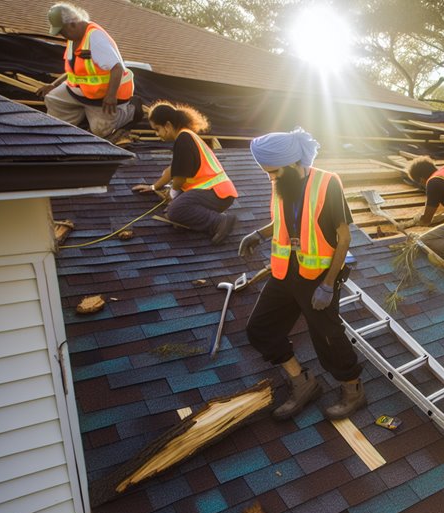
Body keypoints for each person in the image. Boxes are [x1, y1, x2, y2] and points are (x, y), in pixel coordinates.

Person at [238, 128, 365, 420]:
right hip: (285, 272)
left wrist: (329, 285)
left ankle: (352, 389)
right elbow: (283, 219)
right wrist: (258, 233)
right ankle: (303, 382)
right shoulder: (283, 182)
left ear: (295, 163)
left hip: (319, 275)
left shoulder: (327, 182)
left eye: (274, 172)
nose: (271, 177)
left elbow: (343, 237)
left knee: (327, 335)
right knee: (260, 329)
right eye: (267, 173)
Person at [131, 102, 237, 244]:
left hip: (215, 193)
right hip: (217, 194)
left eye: (157, 129)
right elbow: (172, 170)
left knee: (175, 211)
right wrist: (153, 187)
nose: (157, 135)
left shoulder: (183, 139)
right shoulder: (187, 136)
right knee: (178, 205)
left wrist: (173, 196)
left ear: (167, 125)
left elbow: (179, 178)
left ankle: (219, 222)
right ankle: (200, 215)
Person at [36, 3, 140, 140]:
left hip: (101, 97)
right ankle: (76, 118)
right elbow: (74, 72)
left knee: (100, 130)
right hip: (81, 93)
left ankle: (131, 111)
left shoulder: (95, 38)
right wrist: (54, 85)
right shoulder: (73, 38)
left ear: (72, 24)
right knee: (52, 99)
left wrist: (111, 95)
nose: (62, 35)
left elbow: (117, 68)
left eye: (62, 31)